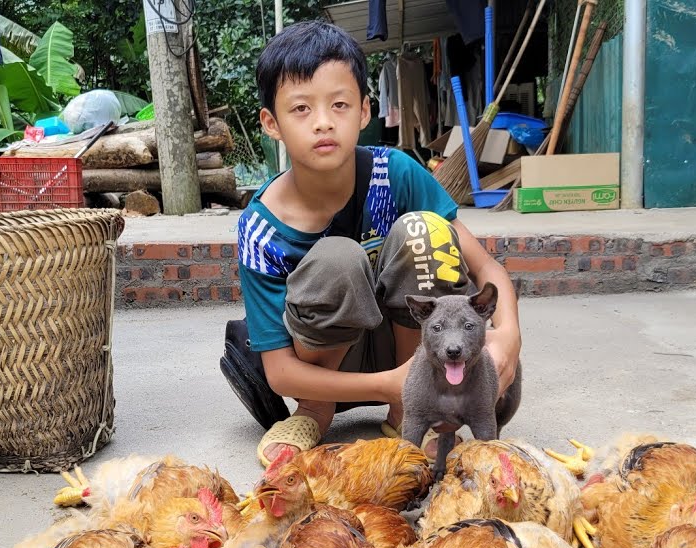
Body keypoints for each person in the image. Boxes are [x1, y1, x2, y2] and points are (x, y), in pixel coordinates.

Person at [219, 20, 522, 468]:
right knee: (338, 258)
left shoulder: (394, 173)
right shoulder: (263, 227)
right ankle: (315, 412)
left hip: (417, 356)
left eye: (339, 104)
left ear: (364, 111)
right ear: (271, 122)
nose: (323, 122)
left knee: (424, 230)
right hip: (323, 371)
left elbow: (488, 271)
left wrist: (509, 337)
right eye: (301, 108)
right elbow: (279, 371)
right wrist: (385, 383)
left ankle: (408, 412)